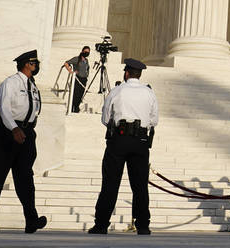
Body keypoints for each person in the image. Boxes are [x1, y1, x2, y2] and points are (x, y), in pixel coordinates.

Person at [88, 58, 159, 235]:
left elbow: (105, 118)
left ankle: (101, 224)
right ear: (139, 74)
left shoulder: (117, 91)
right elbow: (154, 120)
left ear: (126, 73)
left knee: (110, 183)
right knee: (140, 185)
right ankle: (143, 225)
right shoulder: (149, 93)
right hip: (140, 142)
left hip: (118, 140)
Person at [0, 49, 46, 234]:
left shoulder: (32, 85)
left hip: (27, 133)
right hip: (9, 133)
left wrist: (28, 128)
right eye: (34, 63)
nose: (36, 66)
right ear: (26, 64)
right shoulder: (11, 82)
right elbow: (5, 109)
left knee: (25, 177)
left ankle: (31, 220)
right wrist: (14, 128)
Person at [64, 46, 90, 114]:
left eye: (88, 52)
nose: (87, 53)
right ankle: (72, 107)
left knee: (81, 94)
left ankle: (76, 107)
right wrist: (70, 71)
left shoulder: (86, 60)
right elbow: (66, 63)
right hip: (77, 79)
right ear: (82, 51)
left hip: (84, 80)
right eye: (85, 51)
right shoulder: (76, 59)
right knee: (75, 94)